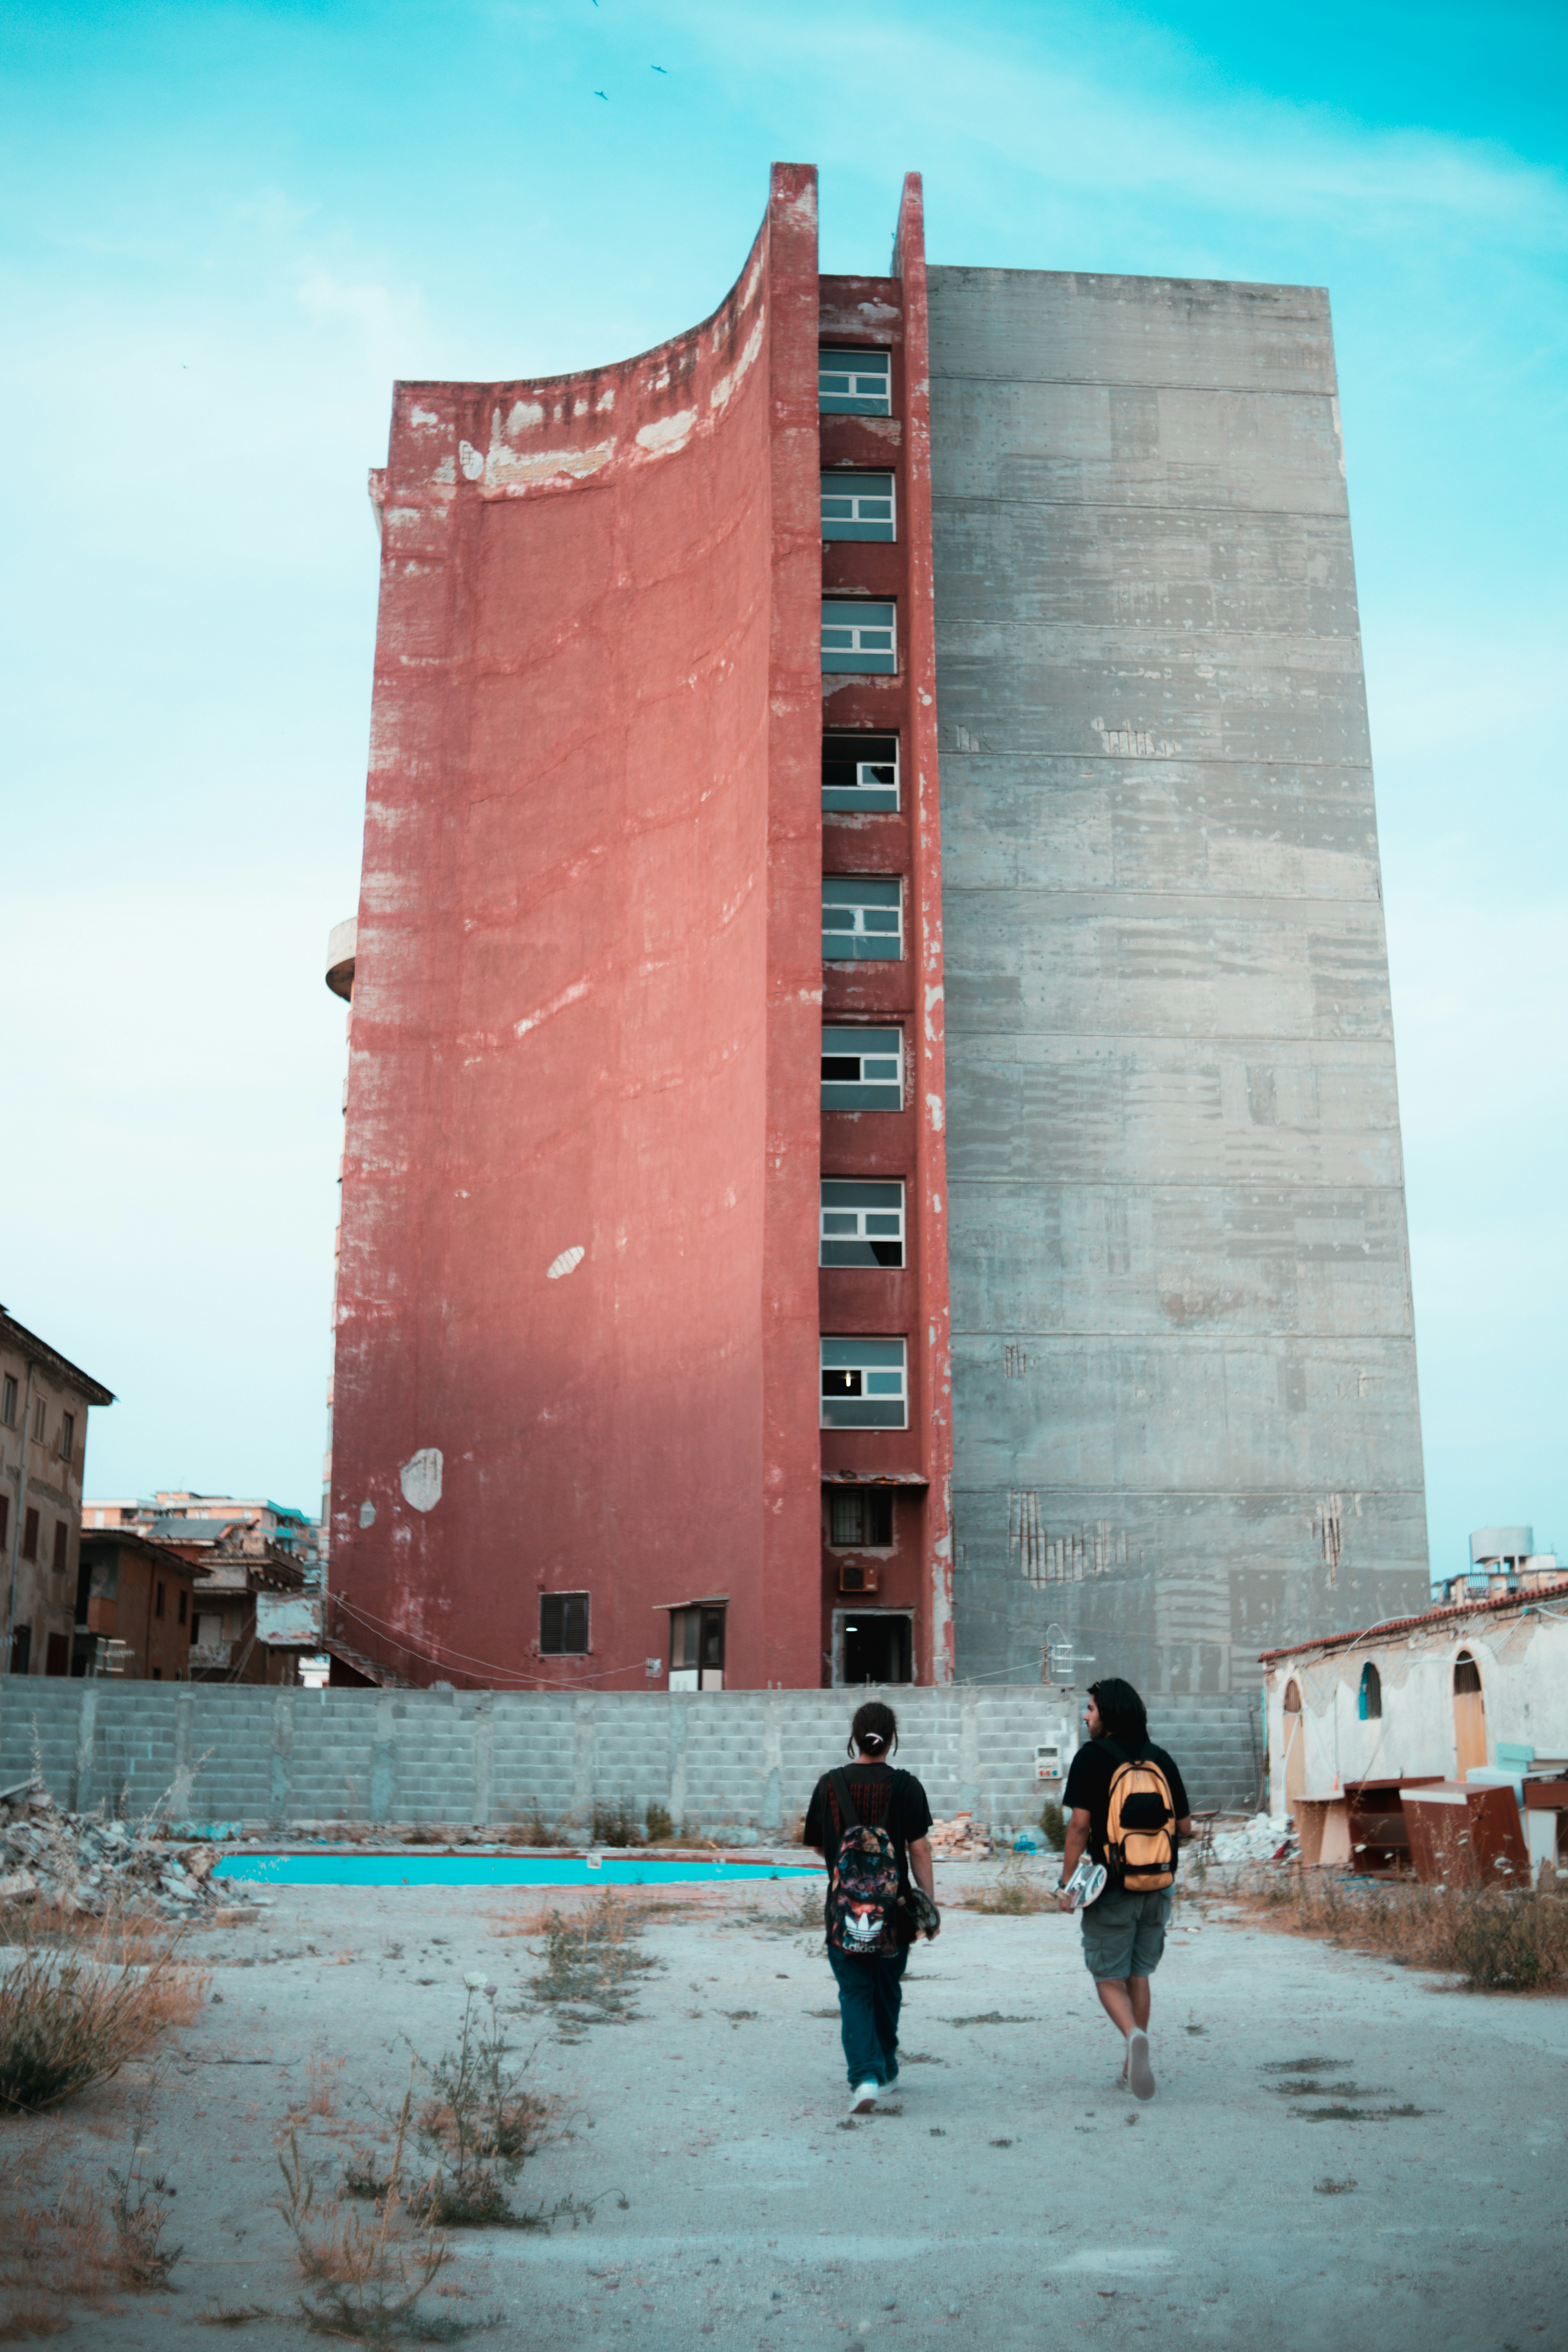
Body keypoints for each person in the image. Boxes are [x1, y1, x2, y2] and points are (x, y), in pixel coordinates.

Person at [1057, 1677, 1193, 2102]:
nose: (1085, 1715)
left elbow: (1079, 1826)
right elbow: (1185, 1828)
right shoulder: (1161, 1759)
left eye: (1091, 1709)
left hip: (1111, 1887)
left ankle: (1133, 2035)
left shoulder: (1092, 1758)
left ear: (1108, 1715)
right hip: (1157, 1886)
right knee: (1139, 1972)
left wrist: (1066, 1885)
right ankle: (1129, 2061)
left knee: (1106, 1975)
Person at [804, 1700, 937, 2115]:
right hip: (894, 1914)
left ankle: (864, 2078)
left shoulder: (829, 1785)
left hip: (843, 1914)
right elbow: (919, 1850)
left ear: (853, 1737)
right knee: (886, 1990)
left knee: (854, 1992)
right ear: (891, 1740)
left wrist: (847, 1869)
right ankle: (888, 2070)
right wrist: (928, 1905)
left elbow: (815, 1843)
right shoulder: (907, 1787)